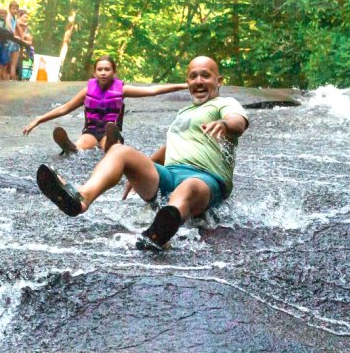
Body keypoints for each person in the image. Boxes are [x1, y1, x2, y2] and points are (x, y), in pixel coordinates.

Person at [35, 56, 249, 251]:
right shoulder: (184, 113)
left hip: (205, 180)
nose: (199, 81)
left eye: (206, 75)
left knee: (188, 187)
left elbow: (238, 122)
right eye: (193, 76)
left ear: (219, 81)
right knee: (119, 151)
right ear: (188, 82)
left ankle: (161, 231)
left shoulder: (224, 103)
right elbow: (172, 147)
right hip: (169, 175)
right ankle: (80, 198)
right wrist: (141, 167)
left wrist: (224, 124)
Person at [23, 55, 188, 154]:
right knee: (81, 145)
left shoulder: (122, 90)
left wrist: (184, 85)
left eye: (107, 69)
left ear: (114, 72)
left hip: (110, 131)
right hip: (91, 131)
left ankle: (112, 142)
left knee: (109, 146)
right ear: (94, 72)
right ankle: (70, 147)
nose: (103, 72)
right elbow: (64, 108)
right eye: (100, 69)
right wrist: (39, 120)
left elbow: (154, 90)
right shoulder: (87, 91)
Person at [5, 1, 21, 80]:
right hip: (9, 40)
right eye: (13, 8)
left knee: (13, 63)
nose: (15, 10)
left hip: (14, 41)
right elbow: (9, 26)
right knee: (6, 63)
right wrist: (14, 35)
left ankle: (12, 78)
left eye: (17, 9)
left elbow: (17, 27)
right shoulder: (8, 16)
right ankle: (5, 79)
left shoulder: (15, 18)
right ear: (10, 8)